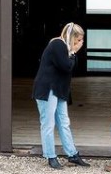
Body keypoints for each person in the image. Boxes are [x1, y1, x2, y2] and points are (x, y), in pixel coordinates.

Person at [32, 22, 90, 170]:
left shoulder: (64, 47)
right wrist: (74, 52)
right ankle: (51, 156)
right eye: (78, 41)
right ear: (72, 37)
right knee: (48, 124)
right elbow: (66, 67)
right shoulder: (58, 44)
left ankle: (72, 154)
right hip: (48, 88)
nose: (79, 44)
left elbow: (67, 68)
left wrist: (72, 52)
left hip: (58, 89)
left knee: (64, 122)